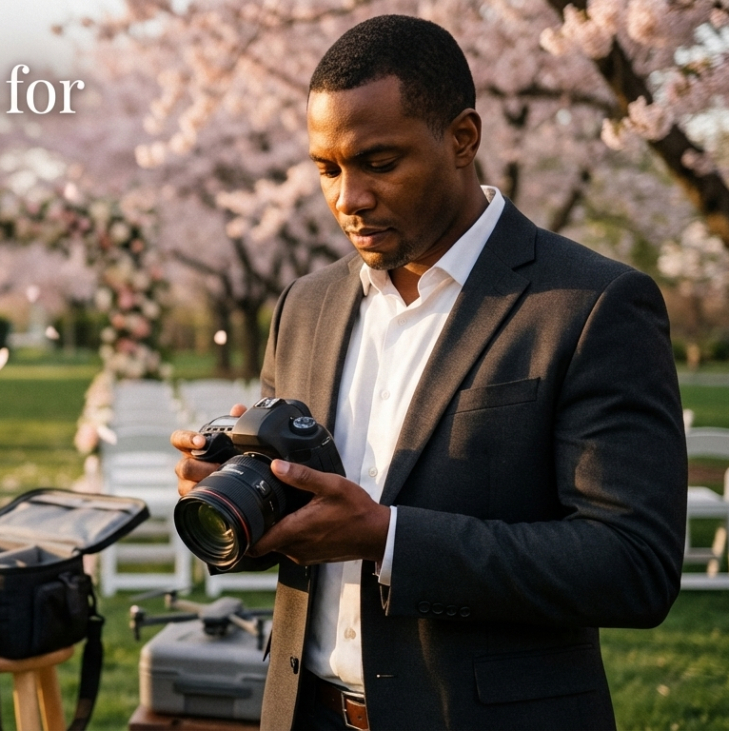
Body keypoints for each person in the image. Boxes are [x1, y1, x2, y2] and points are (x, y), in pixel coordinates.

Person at [172, 14, 686, 731]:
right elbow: (310, 528)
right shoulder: (305, 303)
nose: (348, 198)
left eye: (378, 163)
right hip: (302, 713)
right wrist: (246, 502)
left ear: (462, 139)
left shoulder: (593, 305)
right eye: (327, 168)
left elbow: (634, 564)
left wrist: (386, 537)